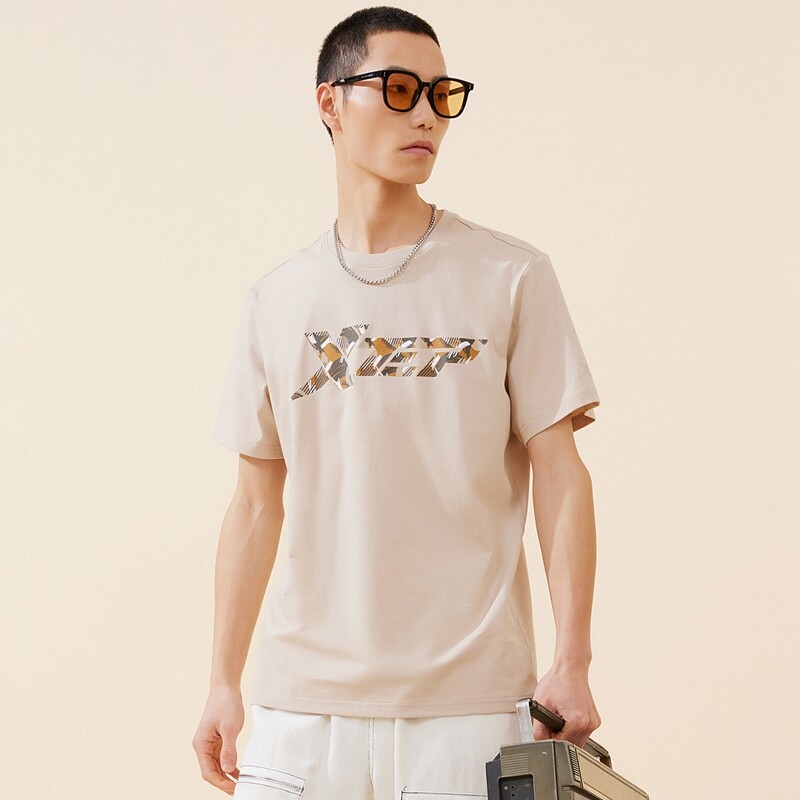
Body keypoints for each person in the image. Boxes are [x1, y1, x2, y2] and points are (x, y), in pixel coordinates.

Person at [193, 6, 602, 798]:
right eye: (400, 89)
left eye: (441, 95)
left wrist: (573, 660)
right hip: (298, 715)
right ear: (330, 103)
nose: (426, 116)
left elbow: (561, 472)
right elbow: (253, 504)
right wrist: (221, 681)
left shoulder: (509, 276)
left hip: (468, 712)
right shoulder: (276, 300)